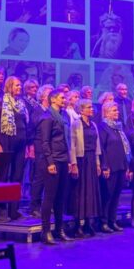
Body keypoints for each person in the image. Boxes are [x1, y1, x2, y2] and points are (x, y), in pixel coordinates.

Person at [0, 76, 29, 221]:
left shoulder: (21, 103)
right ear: (9, 86)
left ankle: (14, 210)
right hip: (5, 141)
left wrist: (27, 145)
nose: (20, 88)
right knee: (3, 176)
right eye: (17, 85)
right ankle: (0, 210)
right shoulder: (0, 101)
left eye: (20, 86)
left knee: (17, 176)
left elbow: (25, 124)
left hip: (20, 143)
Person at [38, 90, 73, 244]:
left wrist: (70, 161)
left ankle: (59, 229)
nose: (64, 100)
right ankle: (45, 232)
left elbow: (66, 139)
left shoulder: (64, 116)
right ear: (53, 99)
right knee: (49, 197)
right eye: (62, 98)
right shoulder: (47, 117)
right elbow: (44, 142)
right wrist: (50, 162)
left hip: (64, 158)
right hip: (52, 160)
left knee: (61, 197)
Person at [69, 99, 102, 237]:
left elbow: (97, 145)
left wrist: (98, 162)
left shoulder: (93, 125)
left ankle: (88, 222)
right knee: (80, 192)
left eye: (92, 107)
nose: (92, 109)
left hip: (91, 160)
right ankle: (78, 225)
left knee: (91, 192)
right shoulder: (76, 124)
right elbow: (72, 144)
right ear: (81, 110)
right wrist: (74, 163)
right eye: (89, 107)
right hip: (81, 160)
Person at [99, 102, 132, 232]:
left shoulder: (117, 128)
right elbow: (102, 148)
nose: (117, 112)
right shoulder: (103, 127)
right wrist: (105, 166)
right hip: (110, 167)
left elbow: (123, 148)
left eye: (117, 110)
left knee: (116, 195)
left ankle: (112, 221)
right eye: (114, 110)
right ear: (106, 112)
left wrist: (126, 166)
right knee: (108, 195)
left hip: (120, 166)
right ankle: (103, 222)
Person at [28, 84, 54, 217]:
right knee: (38, 176)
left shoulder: (50, 111)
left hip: (48, 146)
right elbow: (32, 129)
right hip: (39, 145)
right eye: (50, 93)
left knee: (46, 177)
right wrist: (31, 146)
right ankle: (34, 206)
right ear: (43, 96)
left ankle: (44, 205)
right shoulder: (37, 110)